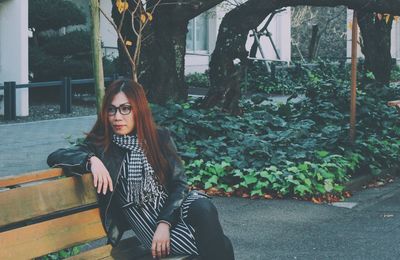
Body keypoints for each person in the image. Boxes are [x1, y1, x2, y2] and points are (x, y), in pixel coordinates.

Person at [47, 79, 234, 260]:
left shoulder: (159, 137)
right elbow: (56, 156)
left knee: (203, 207)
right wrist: (92, 160)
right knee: (220, 246)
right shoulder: (101, 145)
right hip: (147, 227)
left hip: (172, 215)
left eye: (125, 109)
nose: (117, 117)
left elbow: (179, 184)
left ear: (139, 110)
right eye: (111, 110)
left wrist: (164, 223)